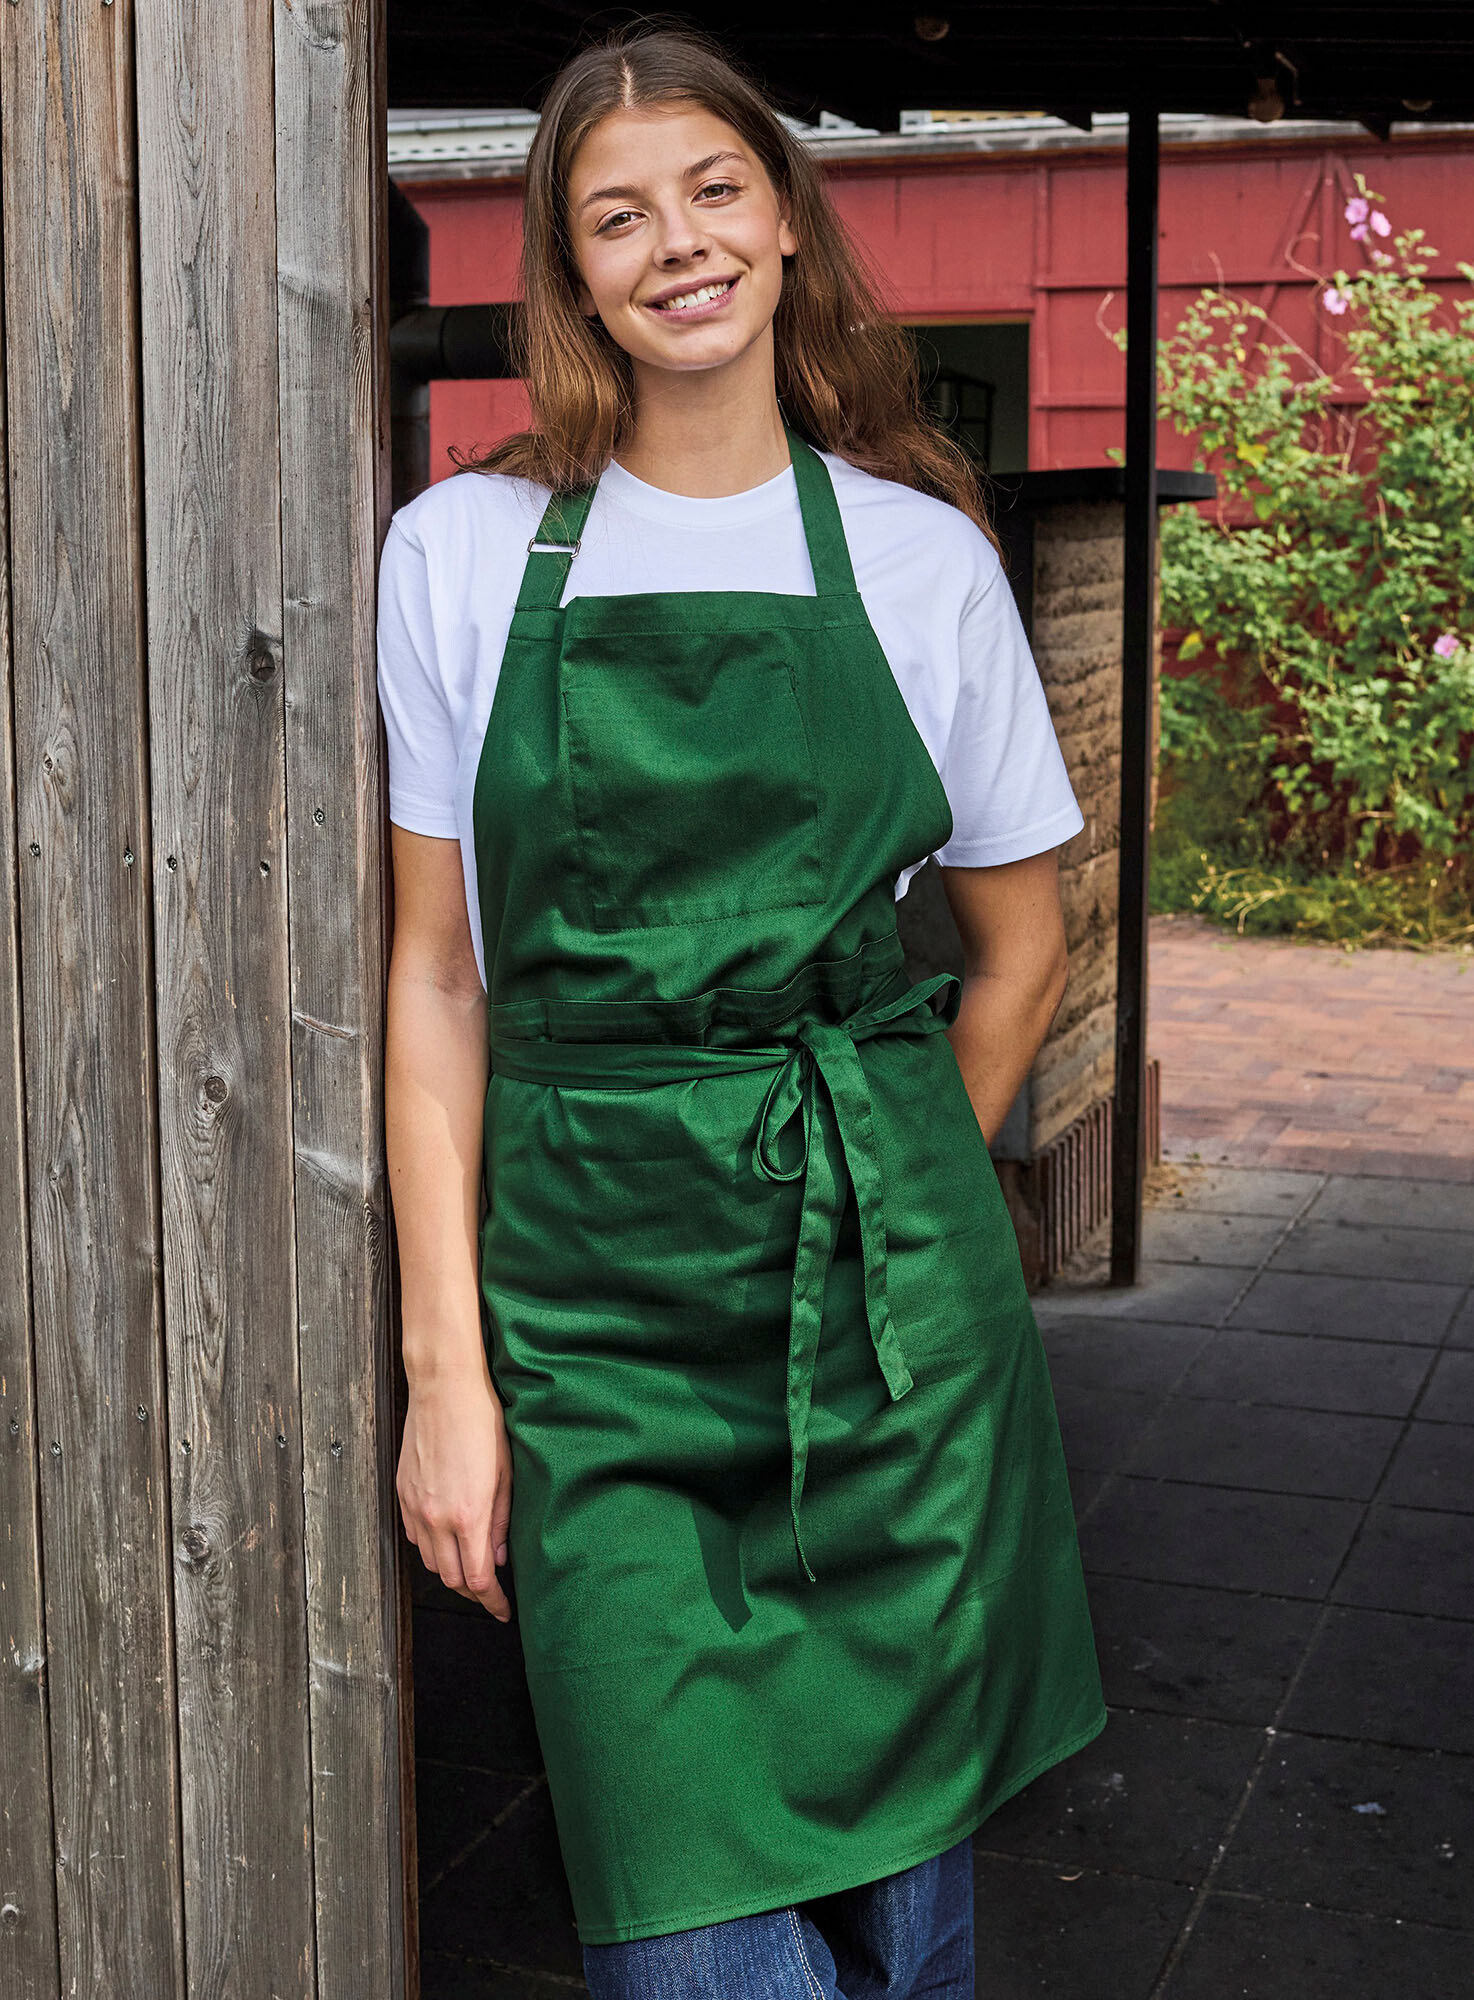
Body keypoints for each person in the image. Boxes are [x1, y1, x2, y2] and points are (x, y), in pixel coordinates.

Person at [376, 23, 1105, 1999]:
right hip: (595, 1323)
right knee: (680, 1929)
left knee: (903, 1916)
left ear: (784, 220)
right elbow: (437, 978)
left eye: (710, 190)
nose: (672, 241)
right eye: (615, 215)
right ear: (571, 271)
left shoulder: (917, 559)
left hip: (883, 1316)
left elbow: (1019, 944)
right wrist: (451, 1381)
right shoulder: (454, 559)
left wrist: (898, 1195)